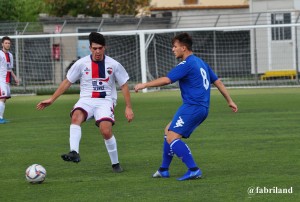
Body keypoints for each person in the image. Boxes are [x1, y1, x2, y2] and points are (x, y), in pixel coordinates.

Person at [134, 33, 238, 181]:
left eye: (175, 47)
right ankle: (164, 169)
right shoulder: (201, 62)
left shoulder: (186, 64)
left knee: (172, 137)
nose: (173, 49)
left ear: (184, 48)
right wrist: (230, 101)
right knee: (168, 130)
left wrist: (145, 84)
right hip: (200, 107)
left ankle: (194, 169)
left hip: (193, 107)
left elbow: (167, 80)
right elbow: (218, 82)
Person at [37, 32, 134, 173]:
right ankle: (74, 152)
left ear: (104, 48)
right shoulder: (81, 63)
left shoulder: (114, 65)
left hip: (105, 101)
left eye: (100, 48)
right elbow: (67, 82)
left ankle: (115, 163)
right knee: (76, 116)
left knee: (106, 131)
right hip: (86, 100)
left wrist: (128, 107)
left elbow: (124, 85)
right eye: (94, 48)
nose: (98, 51)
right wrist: (52, 99)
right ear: (90, 48)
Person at [0, 36, 20, 124]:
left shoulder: (10, 55)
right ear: (2, 44)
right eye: (6, 43)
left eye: (9, 43)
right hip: (1, 79)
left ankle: (1, 117)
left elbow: (10, 68)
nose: (7, 44)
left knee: (4, 99)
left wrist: (15, 77)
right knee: (2, 97)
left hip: (7, 80)